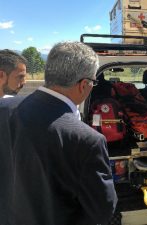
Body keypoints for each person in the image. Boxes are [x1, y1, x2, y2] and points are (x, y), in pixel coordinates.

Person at [0, 42, 117, 225]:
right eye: (94, 82)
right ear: (84, 85)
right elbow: (102, 210)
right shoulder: (88, 140)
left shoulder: (4, 108)